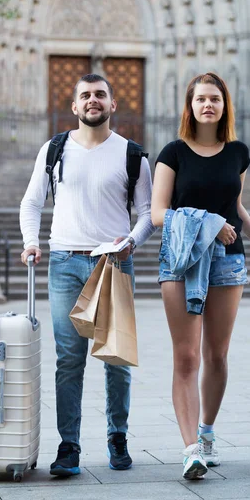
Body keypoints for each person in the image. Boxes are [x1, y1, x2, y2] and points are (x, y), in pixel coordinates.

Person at [20, 73, 155, 476]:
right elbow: (31, 202)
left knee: (116, 359)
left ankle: (118, 437)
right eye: (85, 96)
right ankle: (69, 447)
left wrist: (131, 240)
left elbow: (148, 213)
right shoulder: (55, 149)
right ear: (74, 107)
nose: (93, 100)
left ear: (114, 105)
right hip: (64, 263)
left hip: (112, 263)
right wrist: (32, 241)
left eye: (100, 95)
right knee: (69, 360)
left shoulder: (132, 154)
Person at [151, 72, 250, 480]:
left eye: (215, 99)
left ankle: (206, 433)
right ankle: (191, 449)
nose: (207, 105)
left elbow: (236, 206)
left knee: (217, 355)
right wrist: (209, 222)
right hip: (182, 262)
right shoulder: (173, 153)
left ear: (225, 106)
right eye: (200, 99)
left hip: (229, 262)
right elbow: (158, 215)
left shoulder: (238, 153)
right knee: (187, 356)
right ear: (189, 106)